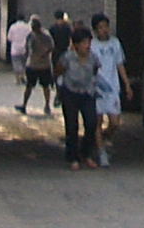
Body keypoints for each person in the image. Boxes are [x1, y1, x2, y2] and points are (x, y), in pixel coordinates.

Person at [90, 14, 133, 164]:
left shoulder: (115, 43)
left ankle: (103, 137)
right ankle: (101, 152)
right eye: (100, 27)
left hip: (113, 87)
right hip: (97, 88)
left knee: (115, 122)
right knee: (97, 120)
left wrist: (127, 84)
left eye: (106, 26)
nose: (104, 30)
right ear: (95, 30)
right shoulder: (92, 45)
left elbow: (119, 64)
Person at [57, 26, 100, 168]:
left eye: (88, 42)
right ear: (76, 45)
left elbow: (95, 70)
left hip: (87, 93)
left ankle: (85, 153)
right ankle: (72, 157)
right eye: (83, 43)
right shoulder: (67, 57)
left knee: (91, 123)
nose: (87, 46)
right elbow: (59, 70)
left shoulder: (93, 58)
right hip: (70, 92)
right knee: (72, 125)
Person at [18, 15, 55, 116]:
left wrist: (44, 53)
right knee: (29, 86)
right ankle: (24, 105)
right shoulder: (30, 36)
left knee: (46, 86)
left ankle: (47, 105)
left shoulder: (46, 36)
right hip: (32, 64)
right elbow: (27, 49)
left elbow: (51, 47)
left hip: (43, 65)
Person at [7, 12, 31, 82]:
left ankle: (17, 79)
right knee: (24, 63)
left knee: (16, 63)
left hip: (15, 48)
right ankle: (22, 75)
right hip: (24, 47)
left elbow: (9, 38)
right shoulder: (27, 27)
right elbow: (30, 36)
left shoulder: (13, 27)